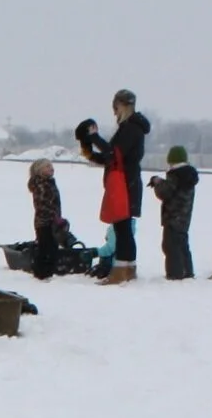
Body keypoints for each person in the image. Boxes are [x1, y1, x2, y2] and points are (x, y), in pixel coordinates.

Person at [76, 89, 150, 283]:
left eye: (115, 108)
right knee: (122, 227)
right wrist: (89, 152)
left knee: (122, 227)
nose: (114, 112)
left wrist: (94, 137)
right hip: (126, 181)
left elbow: (113, 154)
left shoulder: (131, 128)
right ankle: (127, 270)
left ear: (123, 106)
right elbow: (109, 157)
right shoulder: (129, 127)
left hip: (125, 183)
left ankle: (121, 271)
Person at [148, 145, 198, 280]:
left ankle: (175, 273)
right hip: (184, 216)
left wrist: (157, 183)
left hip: (173, 216)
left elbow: (165, 193)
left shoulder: (176, 175)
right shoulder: (188, 175)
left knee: (170, 246)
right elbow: (175, 189)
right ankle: (187, 271)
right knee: (182, 244)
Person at [27, 158, 64, 279]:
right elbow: (42, 204)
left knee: (51, 247)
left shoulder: (49, 182)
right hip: (44, 221)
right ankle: (42, 273)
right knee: (47, 248)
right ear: (39, 170)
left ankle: (46, 272)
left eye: (51, 166)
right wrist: (54, 216)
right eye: (47, 166)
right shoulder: (41, 184)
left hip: (51, 220)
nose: (51, 168)